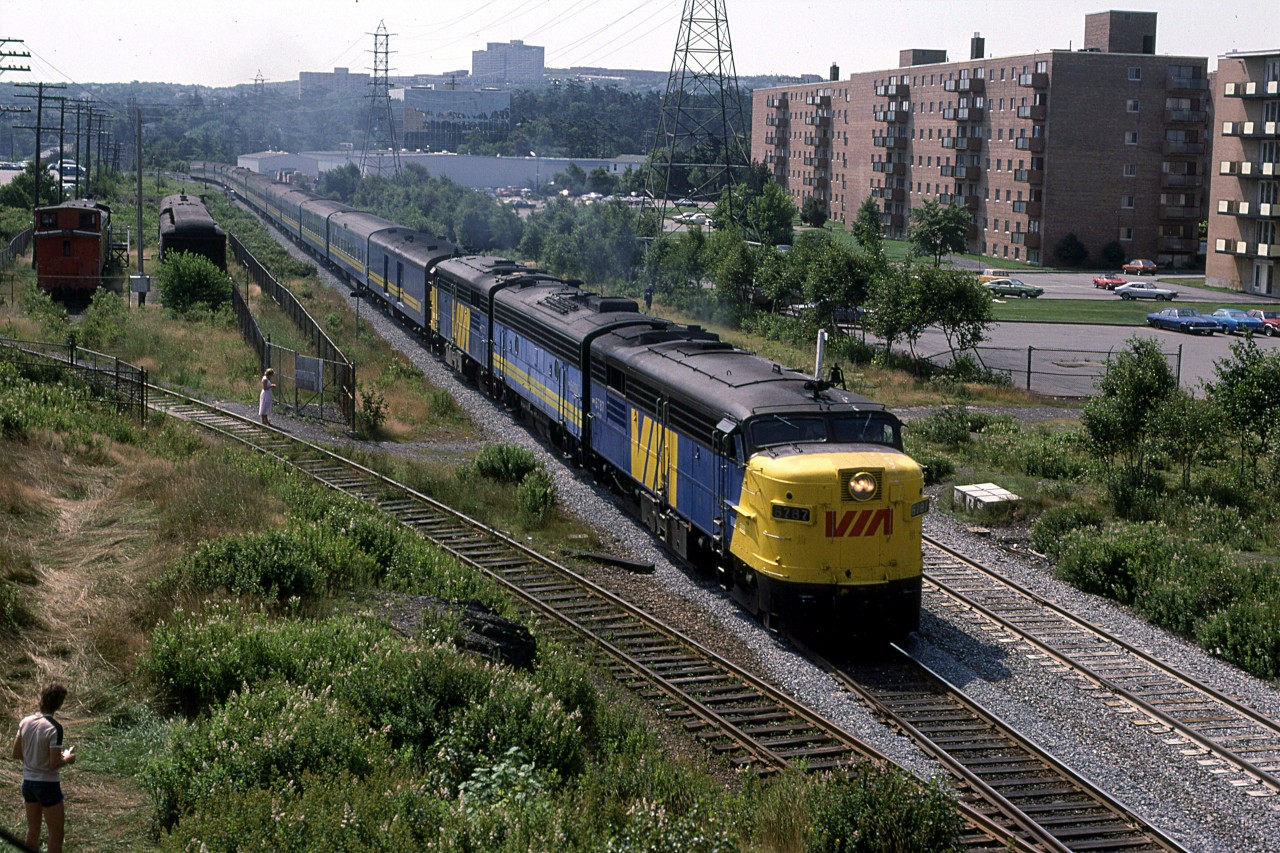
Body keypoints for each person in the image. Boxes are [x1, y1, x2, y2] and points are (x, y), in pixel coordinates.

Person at [12, 683, 76, 853]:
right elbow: (54, 764)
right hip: (47, 785)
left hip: (28, 783)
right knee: (56, 835)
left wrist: (35, 758)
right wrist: (68, 759)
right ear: (59, 704)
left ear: (41, 699)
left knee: (33, 830)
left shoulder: (25, 722)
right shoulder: (55, 727)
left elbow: (16, 753)